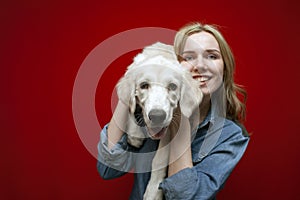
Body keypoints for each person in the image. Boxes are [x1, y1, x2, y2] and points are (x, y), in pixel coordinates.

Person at [97, 22, 250, 200]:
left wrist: (183, 118)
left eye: (212, 56)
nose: (200, 65)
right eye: (188, 57)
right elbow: (107, 169)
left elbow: (185, 197)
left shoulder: (229, 136)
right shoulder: (150, 113)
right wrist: (134, 79)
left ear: (224, 68)